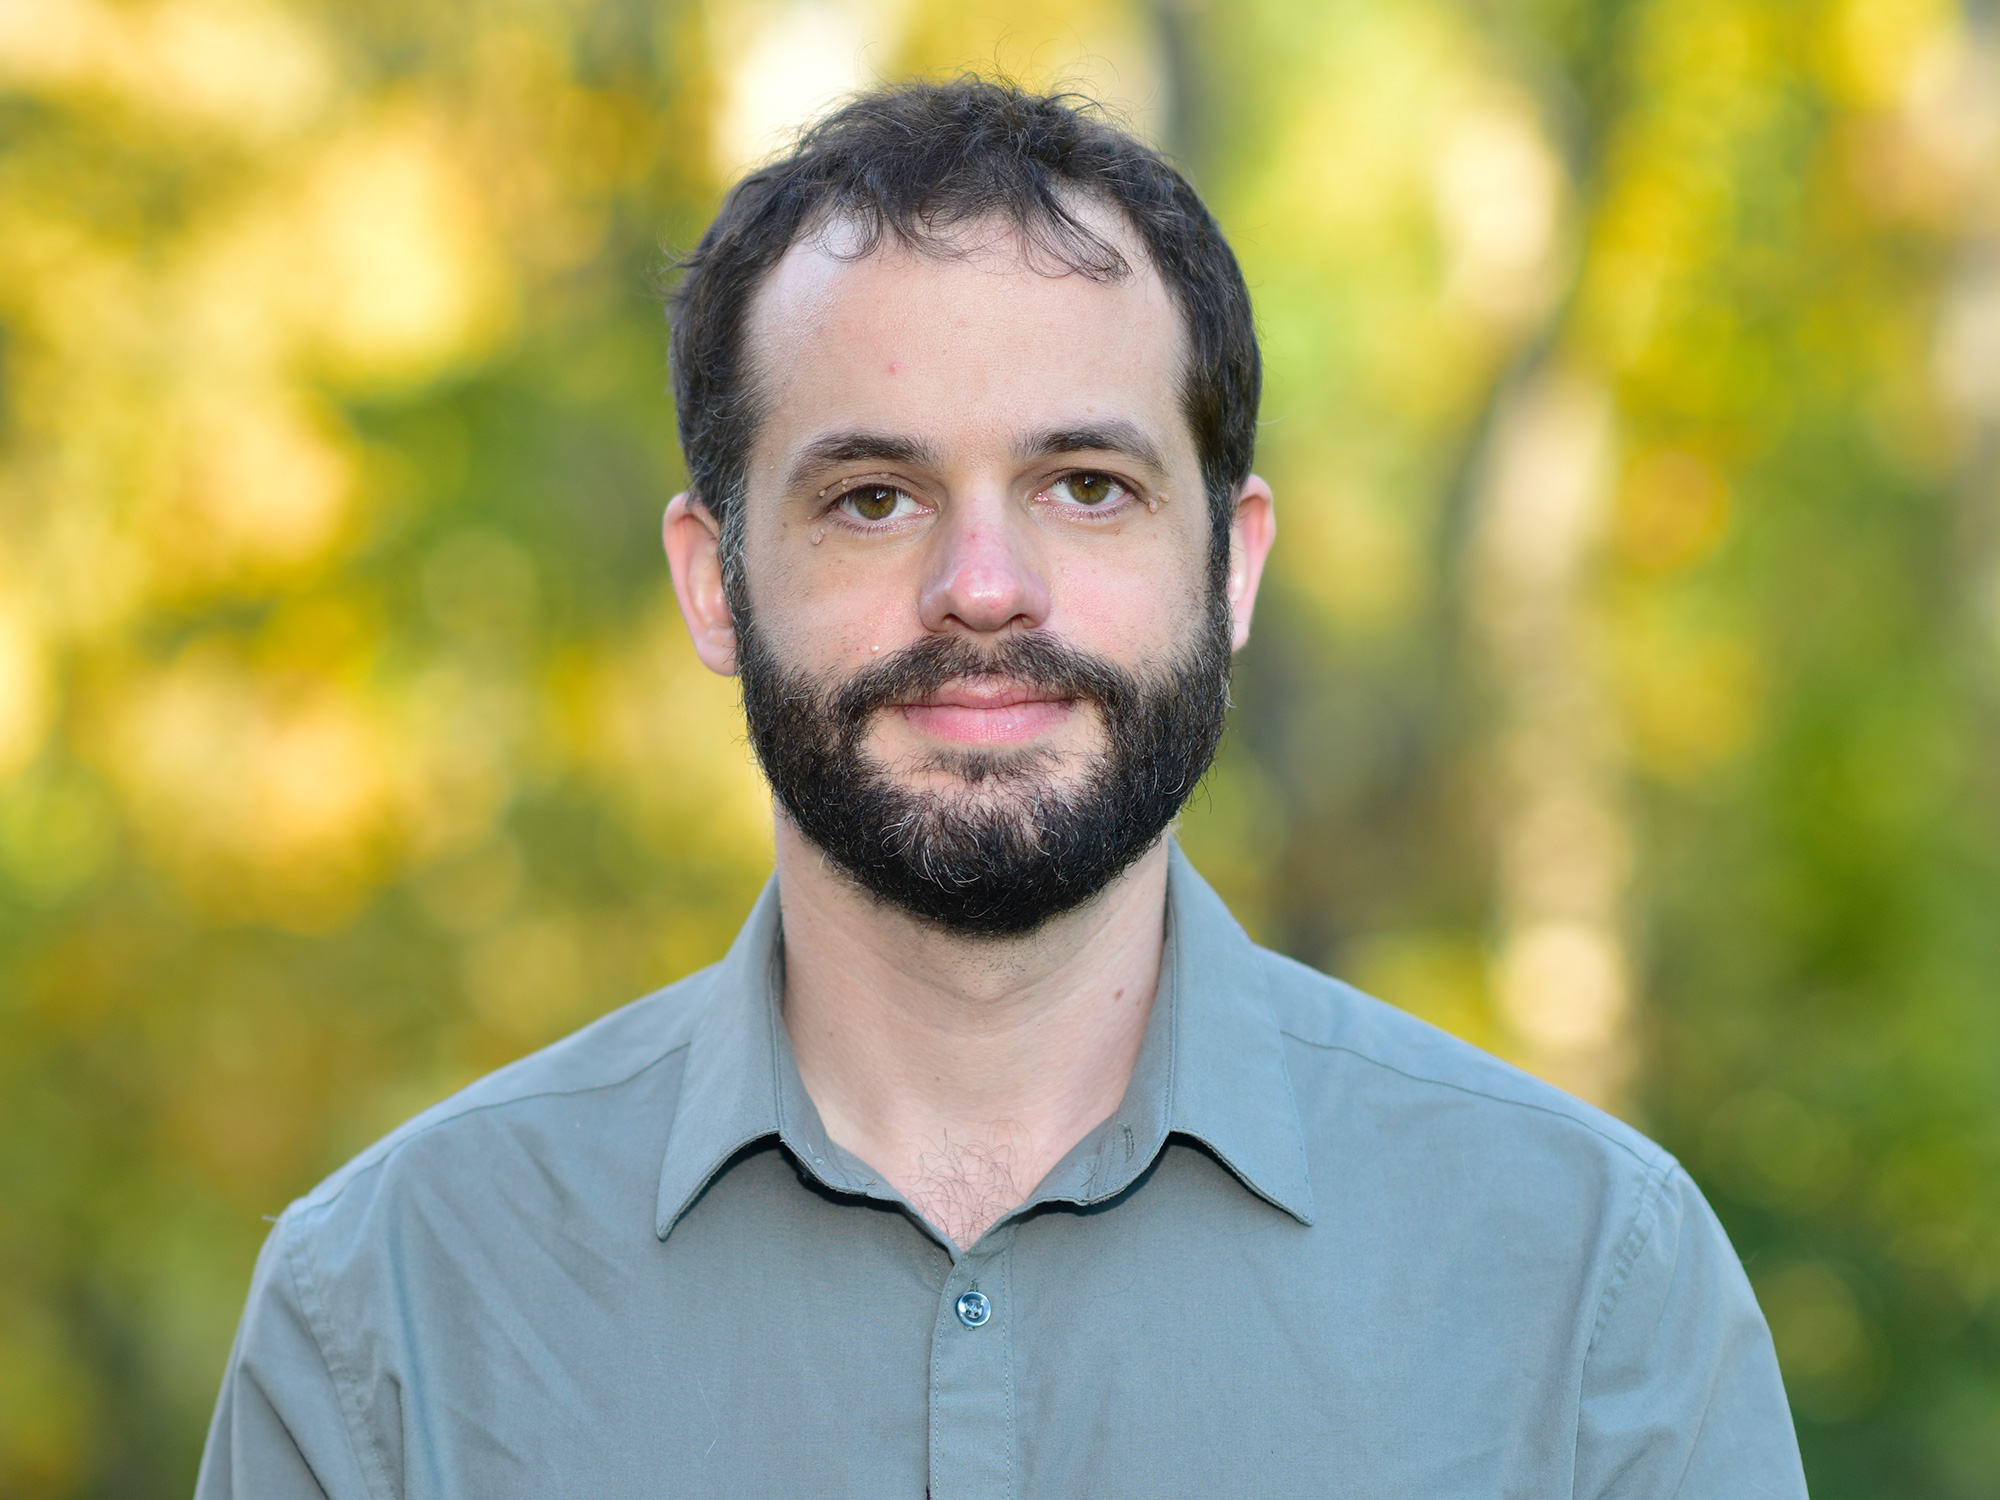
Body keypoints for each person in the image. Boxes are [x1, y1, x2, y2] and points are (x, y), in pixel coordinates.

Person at [197, 78, 1807, 1497]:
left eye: (1086, 487)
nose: (983, 588)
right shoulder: (396, 1312)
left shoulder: (1588, 1286)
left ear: (1229, 565)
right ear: (714, 582)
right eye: (875, 496)